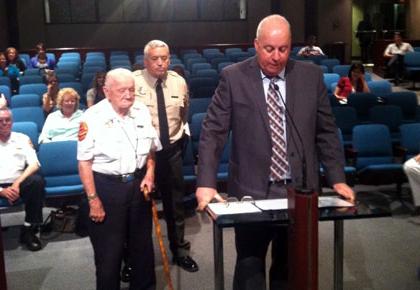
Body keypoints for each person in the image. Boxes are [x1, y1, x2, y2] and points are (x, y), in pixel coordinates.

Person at [195, 14, 355, 290]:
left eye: (283, 49)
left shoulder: (310, 76)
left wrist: (337, 177)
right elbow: (212, 132)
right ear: (256, 45)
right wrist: (206, 183)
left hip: (299, 192)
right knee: (250, 266)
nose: (276, 57)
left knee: (289, 268)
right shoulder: (233, 78)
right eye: (269, 49)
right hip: (252, 191)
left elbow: (326, 131)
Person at [78, 68, 161, 290]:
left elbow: (152, 150)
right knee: (109, 256)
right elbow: (84, 162)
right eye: (122, 90)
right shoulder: (92, 117)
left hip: (138, 186)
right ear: (106, 91)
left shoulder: (142, 111)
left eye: (132, 90)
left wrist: (150, 174)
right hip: (107, 189)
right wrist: (93, 200)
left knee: (142, 250)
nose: (129, 95)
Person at [133, 40, 199, 273]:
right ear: (146, 60)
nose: (160, 62)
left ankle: (180, 251)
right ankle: (133, 260)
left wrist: (177, 142)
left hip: (171, 152)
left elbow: (183, 114)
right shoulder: (133, 82)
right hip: (141, 157)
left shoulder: (178, 82)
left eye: (165, 58)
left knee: (175, 206)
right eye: (155, 58)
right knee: (137, 210)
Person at [0, 107, 45, 251]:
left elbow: (34, 164)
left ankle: (29, 230)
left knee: (37, 182)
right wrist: (1, 191)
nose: (4, 123)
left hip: (18, 182)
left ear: (12, 122)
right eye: (0, 121)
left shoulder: (22, 138)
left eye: (7, 120)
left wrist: (17, 184)